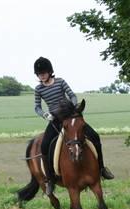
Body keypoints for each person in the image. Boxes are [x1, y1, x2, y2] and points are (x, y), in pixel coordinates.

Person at [33, 56, 114, 196]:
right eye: (39, 74)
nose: (42, 76)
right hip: (54, 120)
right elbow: (37, 107)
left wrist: (74, 107)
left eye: (44, 73)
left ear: (50, 71)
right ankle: (51, 180)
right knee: (45, 145)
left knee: (95, 136)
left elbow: (72, 95)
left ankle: (101, 168)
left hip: (69, 116)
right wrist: (45, 115)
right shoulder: (38, 89)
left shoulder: (60, 82)